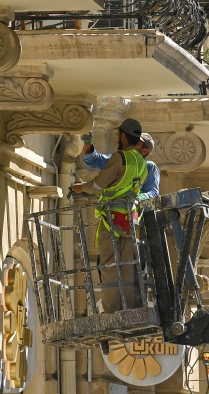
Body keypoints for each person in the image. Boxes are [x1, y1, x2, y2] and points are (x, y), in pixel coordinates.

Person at [70, 118, 148, 313]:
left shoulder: (120, 157)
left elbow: (99, 185)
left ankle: (113, 311)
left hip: (112, 220)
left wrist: (80, 188)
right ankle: (128, 310)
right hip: (131, 220)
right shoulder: (142, 163)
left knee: (110, 267)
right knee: (128, 267)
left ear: (122, 136)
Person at [80, 131, 160, 200]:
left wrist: (137, 198)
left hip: (135, 214)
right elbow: (93, 160)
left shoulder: (149, 167)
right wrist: (88, 143)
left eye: (136, 143)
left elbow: (153, 193)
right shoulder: (120, 159)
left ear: (145, 152)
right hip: (112, 211)